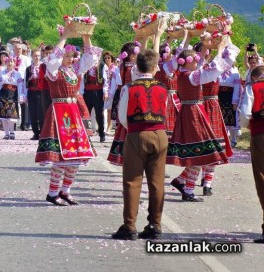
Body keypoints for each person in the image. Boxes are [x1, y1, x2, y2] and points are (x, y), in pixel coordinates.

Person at [35, 26, 99, 206]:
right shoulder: (53, 71)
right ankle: (53, 192)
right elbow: (52, 59)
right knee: (60, 156)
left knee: (76, 155)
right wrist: (64, 37)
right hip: (59, 111)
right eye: (67, 56)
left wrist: (86, 37)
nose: (70, 59)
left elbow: (90, 59)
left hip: (74, 112)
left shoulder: (75, 71)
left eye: (71, 56)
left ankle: (66, 191)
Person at [168, 37, 238, 202]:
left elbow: (204, 67)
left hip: (189, 112)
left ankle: (183, 184)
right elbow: (214, 70)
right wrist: (221, 49)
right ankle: (188, 190)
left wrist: (206, 46)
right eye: (196, 59)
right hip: (194, 114)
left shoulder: (184, 74)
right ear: (188, 62)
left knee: (200, 152)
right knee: (202, 152)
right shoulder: (192, 77)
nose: (198, 61)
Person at [111, 49, 168, 240]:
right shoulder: (162, 87)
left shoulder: (130, 87)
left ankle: (129, 226)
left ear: (137, 66)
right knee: (157, 182)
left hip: (136, 133)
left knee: (132, 181)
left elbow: (122, 117)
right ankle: (155, 224)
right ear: (154, 67)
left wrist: (135, 127)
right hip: (159, 134)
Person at [238, 65, 264, 243]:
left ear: (254, 78)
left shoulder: (252, 88)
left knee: (262, 176)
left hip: (261, 133)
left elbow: (245, 113)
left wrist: (247, 125)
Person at [0, 56, 26, 140]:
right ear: (6, 63)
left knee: (11, 116)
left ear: (14, 63)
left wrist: (20, 96)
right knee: (3, 116)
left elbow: (20, 86)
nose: (10, 63)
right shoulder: (2, 73)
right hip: (3, 95)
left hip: (13, 96)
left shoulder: (18, 74)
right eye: (8, 62)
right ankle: (6, 133)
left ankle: (12, 132)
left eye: (12, 62)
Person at [82, 50, 109, 142]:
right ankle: (87, 134)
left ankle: (101, 133)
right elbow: (82, 80)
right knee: (86, 114)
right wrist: (81, 92)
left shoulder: (102, 65)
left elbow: (106, 80)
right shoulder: (86, 65)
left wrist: (105, 93)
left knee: (99, 114)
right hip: (87, 92)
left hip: (98, 92)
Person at [26, 48, 45, 140]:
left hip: (41, 92)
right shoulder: (28, 68)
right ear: (32, 56)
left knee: (41, 113)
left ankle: (43, 132)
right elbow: (25, 83)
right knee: (32, 113)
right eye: (35, 56)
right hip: (31, 91)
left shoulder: (43, 67)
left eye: (38, 55)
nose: (37, 57)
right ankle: (35, 133)